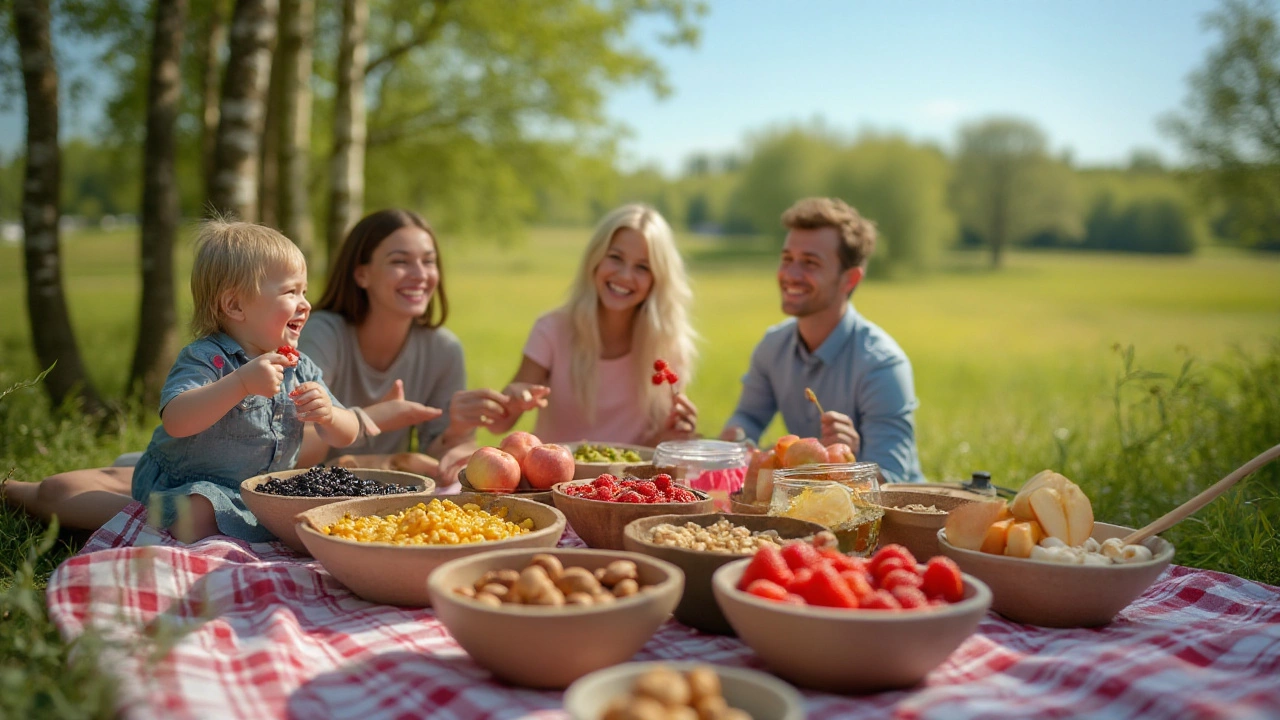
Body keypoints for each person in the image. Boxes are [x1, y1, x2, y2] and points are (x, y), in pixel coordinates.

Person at [3, 220, 361, 542]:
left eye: (304, 291)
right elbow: (176, 419)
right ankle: (16, 493)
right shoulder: (208, 358)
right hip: (182, 486)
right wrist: (240, 384)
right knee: (192, 512)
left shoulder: (299, 366)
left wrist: (329, 414)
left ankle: (135, 515)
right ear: (235, 306)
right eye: (290, 292)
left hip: (257, 494)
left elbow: (346, 433)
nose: (305, 304)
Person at [719, 197, 924, 484]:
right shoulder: (772, 345)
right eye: (787, 259)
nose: (790, 274)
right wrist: (738, 437)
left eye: (810, 263)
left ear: (849, 280)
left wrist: (851, 458)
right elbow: (749, 417)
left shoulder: (882, 364)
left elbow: (894, 482)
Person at [296, 209, 499, 478]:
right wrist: (369, 420)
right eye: (400, 261)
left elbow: (440, 465)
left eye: (429, 261)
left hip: (391, 501)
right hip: (311, 499)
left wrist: (458, 433)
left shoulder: (444, 349)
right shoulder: (321, 334)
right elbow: (294, 453)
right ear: (361, 275)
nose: (420, 274)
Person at [476, 204, 699, 446]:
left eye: (642, 267)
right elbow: (499, 425)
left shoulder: (669, 345)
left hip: (628, 481)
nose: (625, 275)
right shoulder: (551, 331)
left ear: (658, 279)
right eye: (615, 258)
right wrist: (512, 400)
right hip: (554, 479)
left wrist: (669, 438)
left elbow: (648, 453)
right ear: (595, 259)